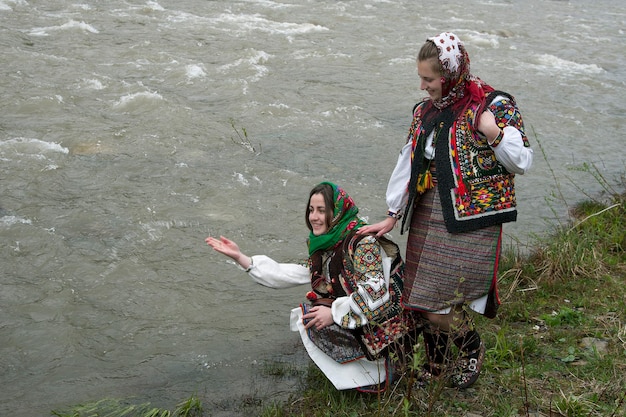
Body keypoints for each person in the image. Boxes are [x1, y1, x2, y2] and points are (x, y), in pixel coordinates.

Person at [358, 32, 533, 389]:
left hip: (472, 218)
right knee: (422, 297)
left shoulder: (493, 105)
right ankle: (437, 365)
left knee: (437, 300)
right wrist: (393, 213)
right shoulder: (425, 112)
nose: (422, 87)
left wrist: (493, 134)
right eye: (420, 78)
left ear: (450, 74)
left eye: (428, 79)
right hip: (427, 212)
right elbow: (408, 162)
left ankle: (471, 348)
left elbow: (522, 161)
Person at [205, 182, 420, 393]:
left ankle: (382, 372)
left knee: (317, 315)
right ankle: (362, 373)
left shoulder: (363, 244)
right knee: (309, 314)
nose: (313, 217)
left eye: (321, 210)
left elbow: (376, 295)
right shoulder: (328, 243)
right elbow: (293, 274)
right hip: (369, 318)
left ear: (337, 212)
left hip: (392, 324)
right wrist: (242, 258)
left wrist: (334, 313)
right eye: (311, 210)